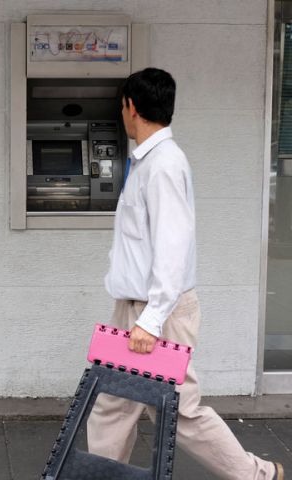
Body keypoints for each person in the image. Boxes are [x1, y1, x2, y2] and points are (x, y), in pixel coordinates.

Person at [86, 67, 284, 480]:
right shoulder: (148, 161)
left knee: (178, 411)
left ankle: (257, 475)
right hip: (137, 308)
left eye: (121, 105)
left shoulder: (163, 165)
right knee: (113, 404)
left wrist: (151, 320)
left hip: (158, 311)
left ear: (131, 107)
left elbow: (173, 248)